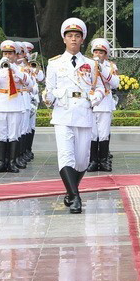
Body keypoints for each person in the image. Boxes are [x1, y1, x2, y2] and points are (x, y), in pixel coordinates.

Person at [43, 18, 103, 214]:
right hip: (63, 113)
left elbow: (101, 88)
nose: (74, 39)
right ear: (64, 39)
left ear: (82, 39)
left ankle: (70, 192)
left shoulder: (91, 64)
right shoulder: (54, 64)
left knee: (82, 160)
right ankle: (76, 197)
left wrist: (95, 98)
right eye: (70, 36)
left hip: (84, 112)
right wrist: (47, 96)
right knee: (66, 156)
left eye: (77, 36)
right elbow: (49, 89)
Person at [0, 40, 30, 173]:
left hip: (15, 103)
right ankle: (2, 162)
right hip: (1, 103)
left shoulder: (20, 69)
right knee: (1, 134)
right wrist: (0, 65)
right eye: (5, 53)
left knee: (13, 134)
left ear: (15, 54)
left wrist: (14, 68)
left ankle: (12, 162)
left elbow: (28, 82)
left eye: (10, 53)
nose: (8, 56)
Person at [88, 38, 120, 172]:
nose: (98, 54)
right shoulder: (87, 65)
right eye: (96, 51)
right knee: (92, 133)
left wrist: (102, 70)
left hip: (105, 102)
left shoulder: (110, 67)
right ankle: (93, 160)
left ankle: (104, 160)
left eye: (101, 52)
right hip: (91, 102)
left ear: (105, 54)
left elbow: (115, 83)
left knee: (104, 133)